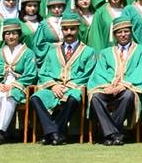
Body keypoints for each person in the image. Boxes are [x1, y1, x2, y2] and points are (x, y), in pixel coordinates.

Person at [32, 12, 95, 145]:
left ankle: (51, 133)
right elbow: (43, 73)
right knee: (36, 98)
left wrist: (68, 86)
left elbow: (88, 74)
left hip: (74, 88)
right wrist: (54, 85)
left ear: (78, 29)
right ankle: (55, 133)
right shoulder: (52, 52)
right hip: (54, 88)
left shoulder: (88, 52)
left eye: (72, 29)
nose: (69, 32)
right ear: (62, 30)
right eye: (65, 29)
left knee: (73, 99)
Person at [88, 17, 142, 146]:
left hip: (127, 89)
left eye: (126, 31)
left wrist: (122, 85)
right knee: (95, 97)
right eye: (119, 32)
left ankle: (108, 134)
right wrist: (109, 85)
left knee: (128, 96)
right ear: (114, 34)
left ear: (131, 32)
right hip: (108, 88)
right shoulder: (105, 53)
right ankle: (115, 134)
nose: (123, 35)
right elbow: (100, 72)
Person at [0, 18, 37, 145]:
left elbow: (31, 74)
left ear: (19, 35)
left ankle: (1, 131)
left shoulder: (28, 53)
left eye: (14, 33)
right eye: (8, 33)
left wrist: (13, 85)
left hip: (18, 86)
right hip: (0, 85)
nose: (11, 37)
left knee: (9, 96)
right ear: (3, 35)